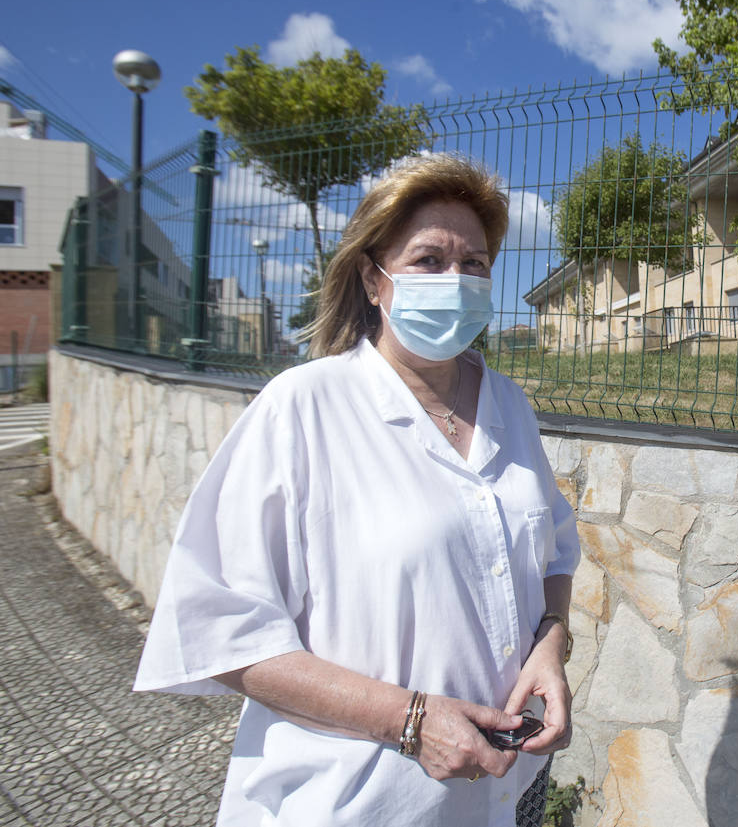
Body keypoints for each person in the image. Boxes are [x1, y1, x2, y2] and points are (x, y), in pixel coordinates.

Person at [134, 154, 580, 827]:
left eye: (475, 263)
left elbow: (552, 552)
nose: (455, 281)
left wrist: (551, 640)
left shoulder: (509, 405)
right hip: (360, 803)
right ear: (375, 279)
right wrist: (411, 720)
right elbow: (219, 629)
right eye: (429, 260)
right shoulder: (304, 407)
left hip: (504, 790)